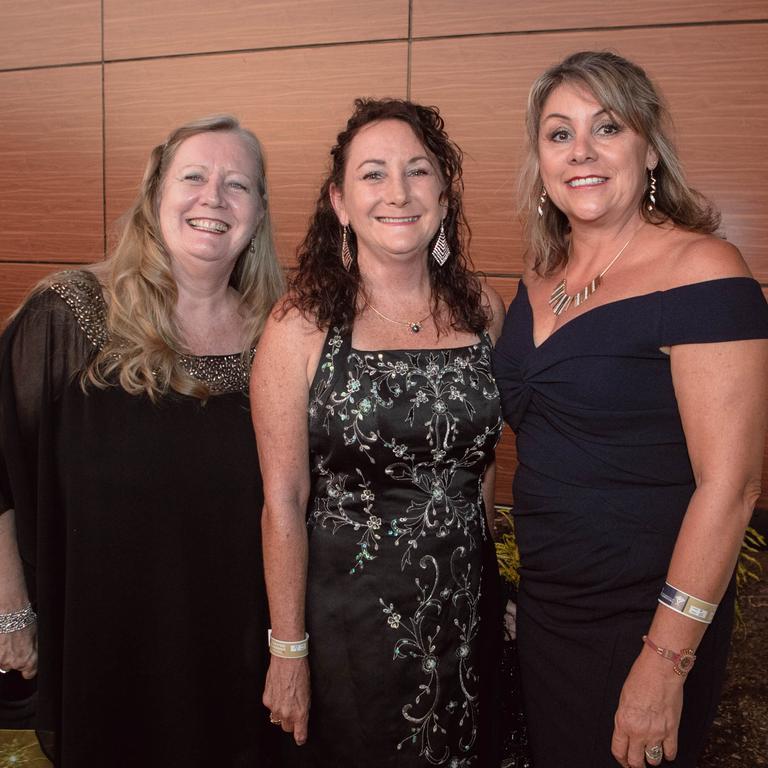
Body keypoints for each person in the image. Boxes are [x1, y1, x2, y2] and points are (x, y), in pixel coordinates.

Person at [492, 50, 768, 768]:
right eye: (558, 133)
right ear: (541, 160)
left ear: (648, 147)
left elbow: (731, 488)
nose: (580, 151)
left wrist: (665, 663)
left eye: (606, 127)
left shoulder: (704, 270)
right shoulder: (537, 277)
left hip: (645, 622)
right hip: (547, 608)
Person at [0, 115, 285, 767]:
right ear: (156, 193)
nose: (213, 197)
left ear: (259, 212)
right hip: (108, 655)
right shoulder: (70, 313)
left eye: (237, 184)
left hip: (238, 663)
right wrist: (10, 612)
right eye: (194, 176)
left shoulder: (284, 331)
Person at [251, 98, 510, 767]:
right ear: (339, 203)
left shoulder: (484, 309)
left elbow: (481, 470)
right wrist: (287, 650)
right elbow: (281, 501)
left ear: (444, 195)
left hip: (468, 613)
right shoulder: (299, 326)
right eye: (372, 174)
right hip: (351, 628)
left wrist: (503, 585)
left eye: (417, 171)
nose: (397, 192)